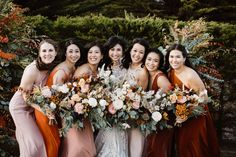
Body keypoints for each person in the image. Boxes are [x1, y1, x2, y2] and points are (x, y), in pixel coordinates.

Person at [165, 43, 220, 157]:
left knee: (194, 147)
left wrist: (187, 112)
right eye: (171, 56)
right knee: (182, 147)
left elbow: (204, 97)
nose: (174, 60)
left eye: (178, 57)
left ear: (184, 58)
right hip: (180, 117)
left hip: (195, 116)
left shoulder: (190, 75)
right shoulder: (170, 72)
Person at [9, 39, 59, 157]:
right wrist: (44, 110)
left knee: (29, 142)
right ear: (39, 53)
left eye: (50, 50)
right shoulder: (32, 70)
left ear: (56, 52)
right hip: (20, 108)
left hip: (33, 106)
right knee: (35, 143)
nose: (47, 54)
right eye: (44, 51)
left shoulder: (51, 67)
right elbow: (25, 97)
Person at [34, 38, 83, 157]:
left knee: (58, 144)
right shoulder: (62, 71)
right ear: (65, 53)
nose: (74, 55)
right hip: (47, 113)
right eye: (70, 51)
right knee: (52, 145)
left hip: (56, 112)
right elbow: (58, 98)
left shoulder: (73, 68)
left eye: (77, 51)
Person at [62, 41, 103, 157]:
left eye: (96, 52)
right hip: (74, 112)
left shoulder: (98, 71)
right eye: (90, 52)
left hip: (85, 113)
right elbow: (74, 94)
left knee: (88, 147)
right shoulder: (84, 70)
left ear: (102, 56)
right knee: (79, 148)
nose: (93, 55)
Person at [95, 36, 129, 157]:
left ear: (123, 51)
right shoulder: (102, 68)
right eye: (112, 49)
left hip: (121, 110)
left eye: (118, 50)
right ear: (108, 51)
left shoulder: (127, 69)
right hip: (105, 110)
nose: (115, 53)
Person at [142, 48, 174, 157]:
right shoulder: (148, 75)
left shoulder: (160, 78)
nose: (151, 63)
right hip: (154, 120)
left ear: (159, 63)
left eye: (155, 61)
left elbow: (169, 95)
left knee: (157, 150)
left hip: (163, 122)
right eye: (149, 59)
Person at [122, 38, 149, 157]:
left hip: (134, 115)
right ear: (130, 50)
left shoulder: (142, 72)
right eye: (135, 50)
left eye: (141, 52)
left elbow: (140, 97)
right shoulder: (125, 65)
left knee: (134, 147)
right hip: (121, 113)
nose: (137, 55)